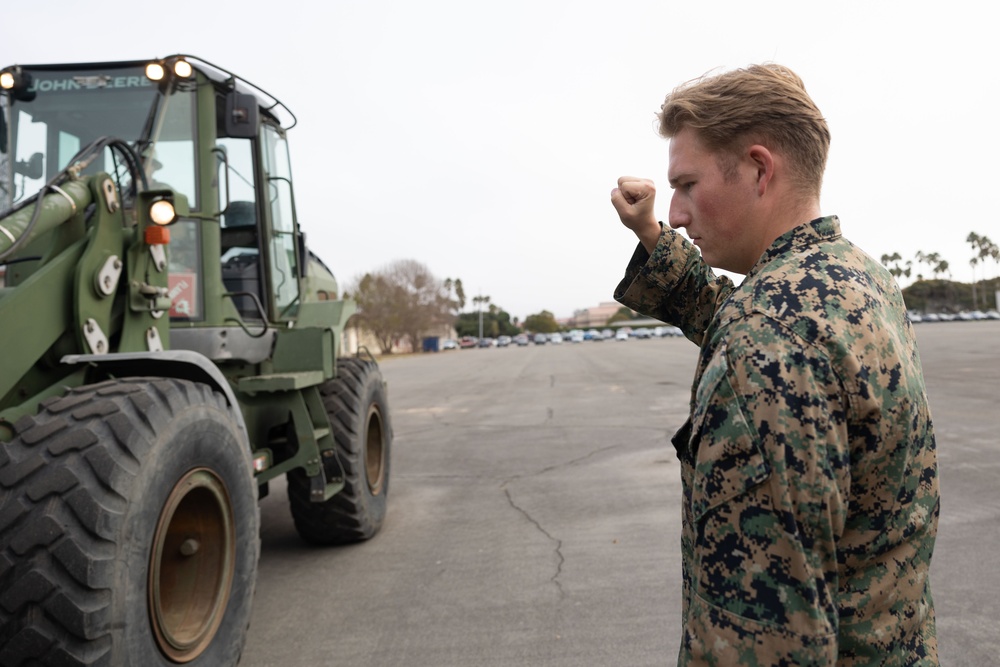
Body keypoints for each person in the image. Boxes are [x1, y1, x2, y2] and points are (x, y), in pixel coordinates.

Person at [610, 64, 939, 666]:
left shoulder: (766, 337)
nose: (678, 211)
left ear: (760, 170)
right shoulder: (856, 277)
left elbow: (767, 637)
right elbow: (742, 316)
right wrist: (655, 238)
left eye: (687, 184)